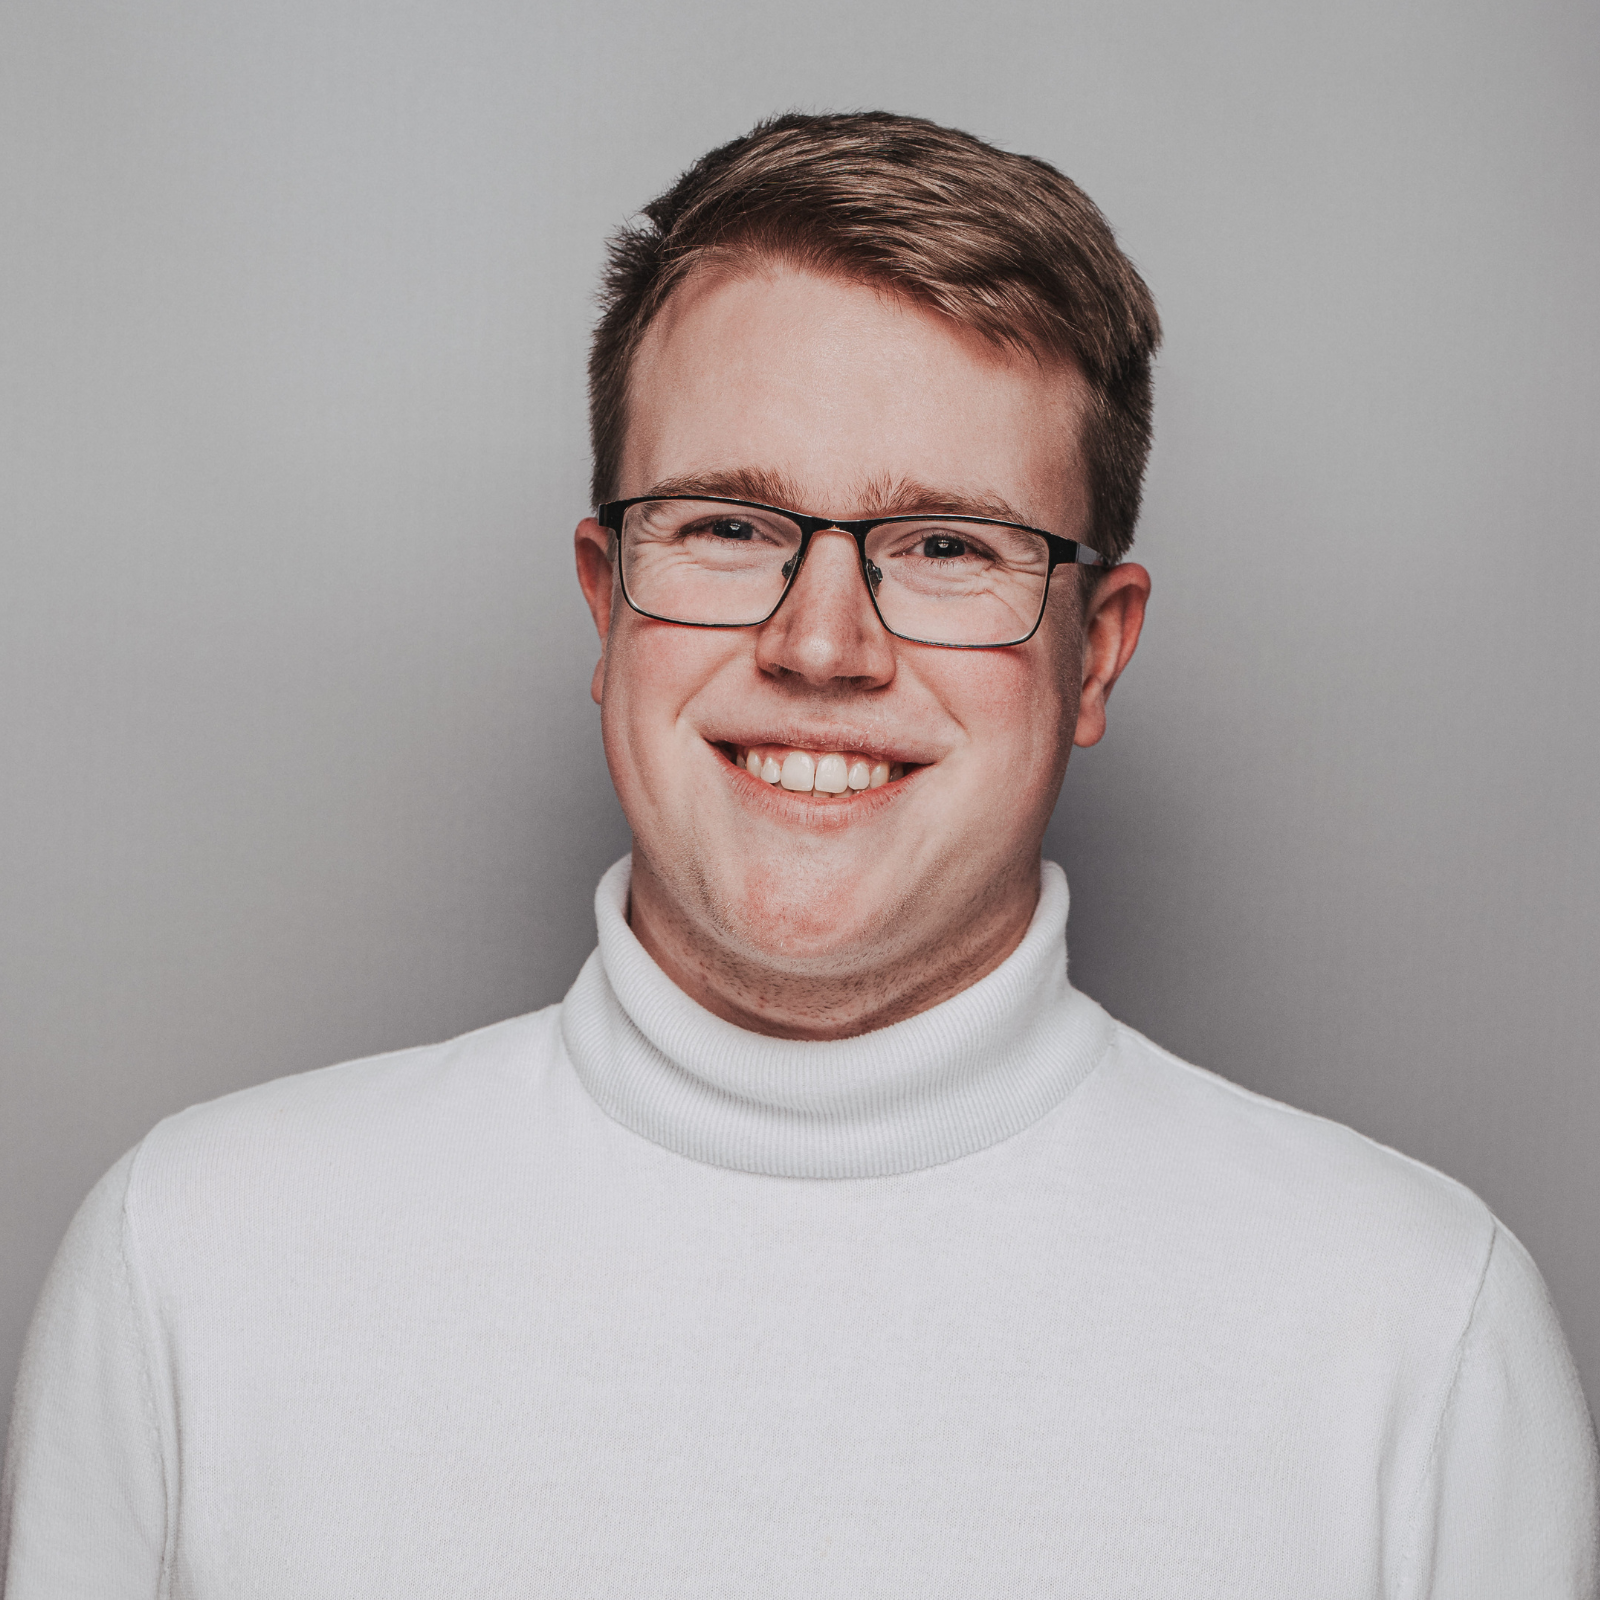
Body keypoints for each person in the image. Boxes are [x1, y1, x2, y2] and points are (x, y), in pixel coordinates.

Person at [3, 111, 1595, 1598]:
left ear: (1095, 655)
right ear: (605, 601)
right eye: (729, 526)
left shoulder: (1415, 1335)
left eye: (949, 545)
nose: (821, 644)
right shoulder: (194, 1268)